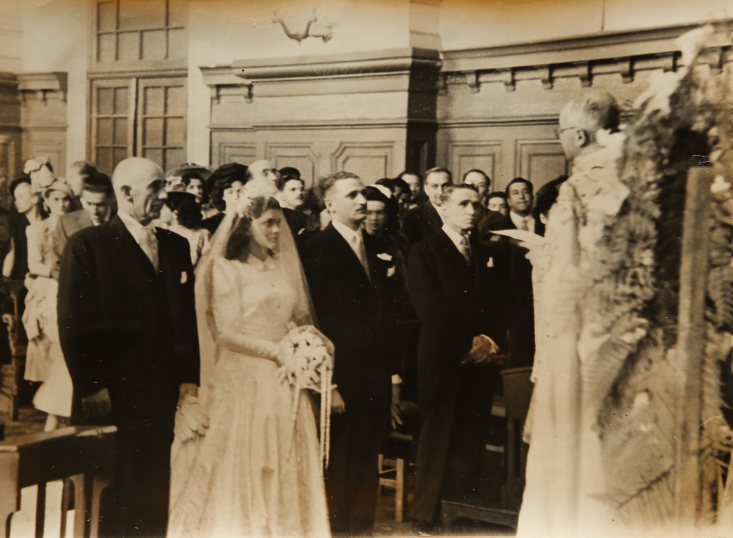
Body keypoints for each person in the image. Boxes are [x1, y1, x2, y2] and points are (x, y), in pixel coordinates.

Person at [58, 157, 201, 537]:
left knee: (154, 486)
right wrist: (91, 385)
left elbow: (186, 321)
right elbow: (74, 324)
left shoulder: (174, 245)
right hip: (112, 393)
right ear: (125, 193)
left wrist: (189, 379)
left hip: (162, 393)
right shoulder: (88, 245)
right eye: (154, 187)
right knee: (111, 493)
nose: (163, 195)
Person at [518, 92, 624, 537]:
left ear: (578, 135)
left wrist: (538, 255)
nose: (559, 140)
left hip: (583, 333)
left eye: (559, 132)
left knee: (572, 436)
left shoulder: (581, 184)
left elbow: (568, 271)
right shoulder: (642, 167)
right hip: (624, 327)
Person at [407, 184, 509, 534]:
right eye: (463, 204)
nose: (471, 211)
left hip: (480, 359)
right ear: (443, 207)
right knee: (438, 433)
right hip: (442, 356)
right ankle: (426, 514)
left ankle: (462, 507)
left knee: (472, 431)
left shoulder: (483, 252)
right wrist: (466, 344)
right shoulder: (424, 251)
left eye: (476, 205)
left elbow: (498, 303)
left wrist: (488, 340)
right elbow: (430, 307)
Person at [301, 172, 396, 534]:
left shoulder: (375, 247)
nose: (362, 200)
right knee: (338, 464)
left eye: (363, 193)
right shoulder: (314, 250)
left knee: (365, 463)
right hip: (339, 379)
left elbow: (386, 316)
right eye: (353, 194)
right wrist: (329, 384)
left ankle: (361, 530)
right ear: (330, 204)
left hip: (374, 377)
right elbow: (312, 322)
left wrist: (391, 375)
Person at [22, 180, 75, 431]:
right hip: (47, 287)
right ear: (46, 203)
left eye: (66, 199)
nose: (62, 204)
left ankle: (64, 415)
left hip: (70, 285)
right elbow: (34, 265)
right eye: (56, 200)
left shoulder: (76, 227)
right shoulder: (37, 229)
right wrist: (63, 274)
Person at [492, 177, 540, 369]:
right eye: (516, 193)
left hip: (539, 296)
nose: (522, 196)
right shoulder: (498, 227)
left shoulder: (546, 224)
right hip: (509, 299)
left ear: (533, 197)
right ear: (509, 201)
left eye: (526, 191)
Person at [50, 172, 115, 280]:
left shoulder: (122, 222)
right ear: (81, 199)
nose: (94, 211)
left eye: (100, 205)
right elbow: (58, 265)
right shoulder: (66, 223)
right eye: (89, 203)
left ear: (110, 199)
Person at [4, 177, 45, 282]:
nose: (15, 202)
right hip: (19, 276)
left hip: (43, 275)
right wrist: (6, 279)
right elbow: (11, 252)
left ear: (35, 198)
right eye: (15, 198)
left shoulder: (48, 221)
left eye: (21, 197)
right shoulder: (13, 223)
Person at [158, 191, 211, 267]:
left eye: (162, 209)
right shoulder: (162, 230)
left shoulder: (201, 233)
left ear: (175, 213)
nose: (159, 212)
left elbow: (206, 261)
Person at [402, 167, 452, 246]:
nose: (440, 192)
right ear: (426, 189)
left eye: (445, 185)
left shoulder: (462, 212)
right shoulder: (414, 216)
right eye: (434, 186)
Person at [201, 163, 249, 234]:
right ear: (223, 196)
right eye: (230, 192)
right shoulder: (209, 224)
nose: (236, 197)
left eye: (240, 191)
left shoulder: (251, 221)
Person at [275, 168, 310, 238]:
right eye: (293, 190)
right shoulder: (279, 216)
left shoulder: (304, 217)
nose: (299, 193)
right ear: (281, 194)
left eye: (302, 189)